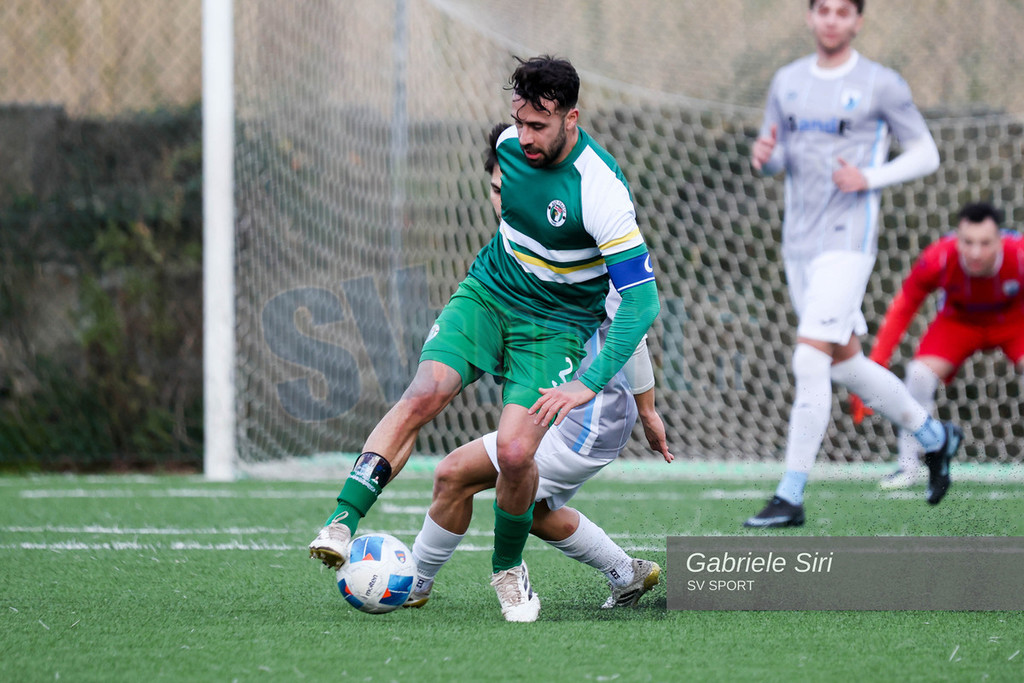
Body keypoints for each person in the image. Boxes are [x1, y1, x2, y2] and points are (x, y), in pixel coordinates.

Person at [310, 56, 661, 622]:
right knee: (426, 392)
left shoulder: (601, 192)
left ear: (572, 118)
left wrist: (590, 385)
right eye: (519, 123)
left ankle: (507, 570)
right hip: (490, 294)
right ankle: (341, 522)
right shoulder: (508, 147)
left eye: (538, 126)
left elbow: (641, 304)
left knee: (515, 456)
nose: (524, 138)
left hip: (554, 328)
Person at [404, 124, 674, 612]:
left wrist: (648, 410)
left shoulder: (592, 234)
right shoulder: (525, 234)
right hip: (563, 409)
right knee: (531, 505)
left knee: (455, 474)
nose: (502, 199)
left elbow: (632, 326)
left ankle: (408, 583)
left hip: (587, 416)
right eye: (495, 189)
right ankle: (626, 572)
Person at [745, 0, 962, 527]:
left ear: (858, 21)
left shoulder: (880, 84)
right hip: (799, 244)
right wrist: (765, 158)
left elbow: (926, 154)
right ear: (810, 16)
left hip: (848, 243)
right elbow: (777, 155)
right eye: (824, 9)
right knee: (843, 362)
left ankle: (790, 495)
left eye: (843, 11)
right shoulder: (787, 81)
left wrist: (869, 177)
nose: (832, 19)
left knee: (809, 360)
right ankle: (935, 437)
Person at [849, 202, 1024, 488]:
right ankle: (908, 466)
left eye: (985, 243)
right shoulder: (938, 258)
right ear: (957, 239)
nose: (975, 252)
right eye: (968, 242)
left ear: (999, 240)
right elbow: (903, 308)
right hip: (959, 323)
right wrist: (876, 366)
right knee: (918, 374)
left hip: (1014, 324)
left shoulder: (1019, 255)